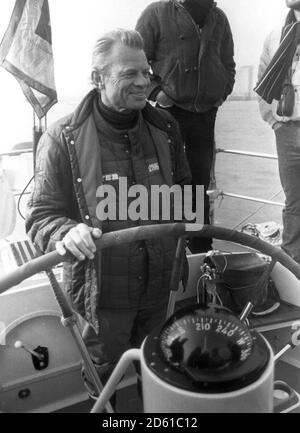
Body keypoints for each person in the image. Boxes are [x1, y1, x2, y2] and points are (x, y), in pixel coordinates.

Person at [25, 29, 191, 404]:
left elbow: (184, 192)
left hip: (159, 289)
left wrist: (188, 225)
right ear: (97, 78)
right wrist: (66, 231)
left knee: (160, 369)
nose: (142, 82)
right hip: (102, 295)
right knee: (104, 378)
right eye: (129, 73)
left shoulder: (166, 128)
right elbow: (39, 219)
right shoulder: (60, 138)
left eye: (146, 73)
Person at [136, 0, 236, 253]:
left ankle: (201, 249)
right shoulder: (155, 13)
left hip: (205, 114)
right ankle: (166, 248)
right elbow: (136, 61)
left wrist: (221, 93)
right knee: (164, 182)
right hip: (168, 113)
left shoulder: (219, 18)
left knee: (199, 183)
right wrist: (156, 92)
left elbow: (228, 63)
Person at [255, 0, 300, 263]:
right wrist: (273, 122)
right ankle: (293, 261)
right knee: (294, 201)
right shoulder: (275, 36)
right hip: (287, 130)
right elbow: (262, 82)